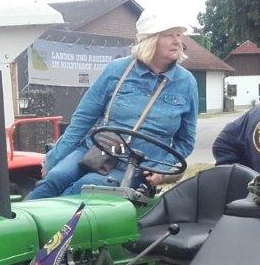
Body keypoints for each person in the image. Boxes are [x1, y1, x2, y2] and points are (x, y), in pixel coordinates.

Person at [27, 12, 198, 199]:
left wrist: (162, 169)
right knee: (54, 178)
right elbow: (83, 120)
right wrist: (53, 160)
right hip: (95, 151)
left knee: (88, 186)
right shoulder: (117, 70)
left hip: (138, 165)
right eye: (168, 35)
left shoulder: (186, 83)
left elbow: (185, 142)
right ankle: (16, 225)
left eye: (179, 35)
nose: (177, 41)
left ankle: (54, 226)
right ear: (150, 39)